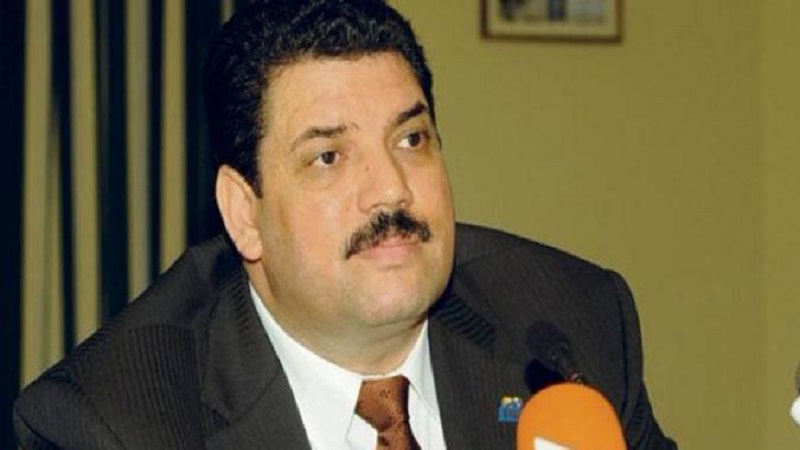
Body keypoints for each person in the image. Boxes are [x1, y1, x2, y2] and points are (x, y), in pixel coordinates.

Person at [13, 1, 677, 448]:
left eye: (411, 140)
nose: (391, 188)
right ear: (244, 213)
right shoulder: (113, 425)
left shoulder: (573, 323)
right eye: (328, 157)